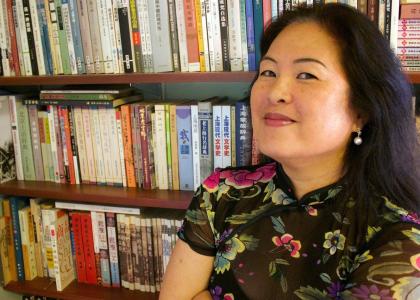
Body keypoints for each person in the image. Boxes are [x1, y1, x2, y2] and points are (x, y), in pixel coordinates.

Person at [160, 3, 420, 299]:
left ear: (361, 111)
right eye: (268, 71)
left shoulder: (398, 236)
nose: (275, 92)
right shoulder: (222, 193)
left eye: (306, 75)